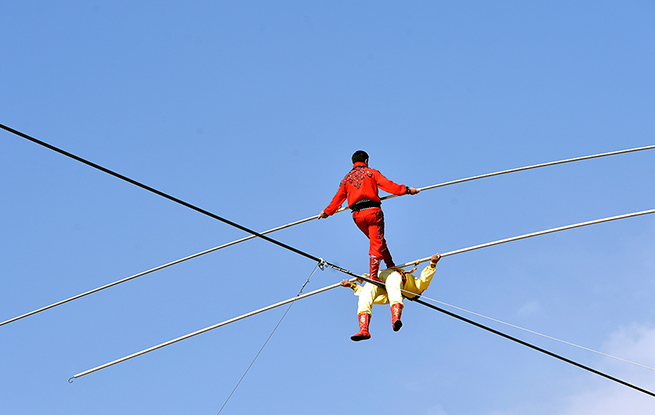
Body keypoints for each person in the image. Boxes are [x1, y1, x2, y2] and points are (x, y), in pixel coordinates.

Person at [319, 150, 419, 280]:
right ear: (366, 161)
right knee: (376, 243)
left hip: (357, 216)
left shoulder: (345, 180)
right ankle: (373, 276)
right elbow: (389, 186)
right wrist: (407, 190)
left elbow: (337, 199)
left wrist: (326, 212)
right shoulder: (372, 173)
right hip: (373, 212)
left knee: (376, 240)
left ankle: (390, 265)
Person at [340, 253, 442, 341]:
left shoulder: (408, 291)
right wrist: (432, 264)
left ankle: (395, 319)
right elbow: (425, 280)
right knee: (367, 295)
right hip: (379, 277)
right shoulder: (417, 287)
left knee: (388, 287)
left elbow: (370, 297)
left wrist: (352, 286)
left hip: (392, 278)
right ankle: (364, 330)